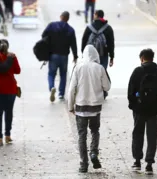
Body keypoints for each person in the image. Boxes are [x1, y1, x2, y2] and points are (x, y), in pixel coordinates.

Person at [68, 45, 111, 173]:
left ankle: (83, 164)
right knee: (95, 131)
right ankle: (93, 153)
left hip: (81, 107)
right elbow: (107, 87)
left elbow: (71, 89)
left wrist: (70, 106)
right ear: (96, 55)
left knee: (82, 135)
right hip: (95, 107)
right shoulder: (100, 68)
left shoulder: (78, 67)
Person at [127, 49, 157, 175]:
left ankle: (137, 161)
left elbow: (130, 91)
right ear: (152, 58)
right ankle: (149, 164)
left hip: (139, 109)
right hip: (153, 110)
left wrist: (133, 105)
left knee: (138, 134)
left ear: (142, 58)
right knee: (152, 136)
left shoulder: (137, 72)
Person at [42, 11, 78, 102]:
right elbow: (74, 44)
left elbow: (44, 36)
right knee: (63, 75)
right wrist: (75, 56)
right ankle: (61, 94)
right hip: (64, 56)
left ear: (61, 16)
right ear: (67, 19)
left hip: (53, 55)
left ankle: (52, 87)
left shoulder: (52, 26)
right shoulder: (70, 30)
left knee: (51, 74)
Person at [0, 39, 21, 146]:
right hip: (10, 89)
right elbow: (18, 71)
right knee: (9, 112)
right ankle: (7, 135)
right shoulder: (12, 57)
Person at [81, 10, 114, 99]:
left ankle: (93, 91)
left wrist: (83, 53)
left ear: (96, 15)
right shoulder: (108, 28)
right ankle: (103, 91)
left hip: (91, 55)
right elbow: (111, 43)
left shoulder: (89, 27)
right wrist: (112, 57)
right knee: (102, 71)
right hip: (103, 54)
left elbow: (84, 40)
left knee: (91, 72)